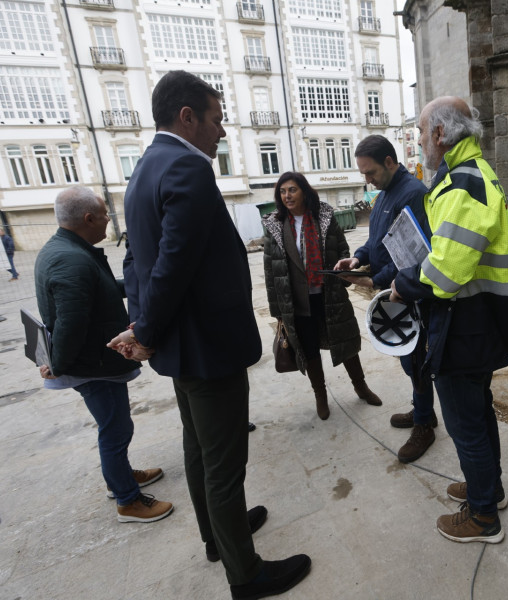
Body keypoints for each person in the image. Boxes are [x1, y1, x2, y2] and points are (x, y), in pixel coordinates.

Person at [107, 70, 310, 599]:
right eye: (217, 120)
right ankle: (246, 574)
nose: (222, 132)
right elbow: (171, 264)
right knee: (224, 464)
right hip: (207, 345)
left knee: (198, 449)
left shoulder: (144, 169)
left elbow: (136, 260)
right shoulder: (187, 169)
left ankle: (218, 536)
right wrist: (145, 330)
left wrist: (143, 324)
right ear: (187, 117)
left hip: (181, 344)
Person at [391, 96, 508, 544]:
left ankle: (481, 518)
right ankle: (487, 491)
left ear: (440, 133)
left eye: (420, 133)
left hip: (464, 324)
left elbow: (445, 274)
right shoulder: (472, 174)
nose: (417, 143)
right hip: (478, 318)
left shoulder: (462, 184)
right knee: (478, 415)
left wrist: (403, 284)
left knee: (465, 426)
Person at [34, 186, 173, 523]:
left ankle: (120, 477)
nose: (109, 220)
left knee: (113, 426)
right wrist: (58, 365)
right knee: (115, 429)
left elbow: (101, 290)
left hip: (91, 361)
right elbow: (70, 322)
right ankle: (127, 500)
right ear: (88, 218)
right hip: (92, 366)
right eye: (105, 213)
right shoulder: (71, 259)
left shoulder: (65, 249)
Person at [334, 135, 437, 463]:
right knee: (407, 356)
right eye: (363, 173)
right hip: (392, 289)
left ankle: (424, 424)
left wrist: (375, 278)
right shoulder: (385, 194)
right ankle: (423, 411)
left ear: (390, 162)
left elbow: (416, 253)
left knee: (416, 357)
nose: (367, 179)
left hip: (411, 292)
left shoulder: (414, 194)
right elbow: (378, 238)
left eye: (370, 172)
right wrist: (358, 257)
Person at [263, 171, 382, 420]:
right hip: (297, 302)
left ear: (304, 191)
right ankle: (320, 395)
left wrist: (344, 269)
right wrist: (277, 311)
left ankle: (361, 387)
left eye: (292, 190)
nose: (287, 196)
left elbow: (342, 247)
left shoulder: (324, 217)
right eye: (283, 191)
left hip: (329, 294)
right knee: (309, 350)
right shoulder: (275, 226)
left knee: (346, 342)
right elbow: (270, 272)